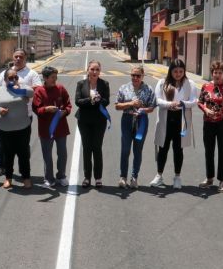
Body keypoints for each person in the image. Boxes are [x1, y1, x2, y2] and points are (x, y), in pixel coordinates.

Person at [0, 48, 42, 177]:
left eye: (21, 57)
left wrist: (21, 88)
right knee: (3, 143)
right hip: (6, 114)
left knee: (23, 145)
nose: (18, 59)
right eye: (16, 56)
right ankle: (1, 165)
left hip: (25, 114)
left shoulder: (31, 73)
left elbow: (38, 88)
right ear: (13, 57)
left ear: (25, 58)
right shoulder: (5, 72)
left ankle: (24, 170)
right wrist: (7, 88)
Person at [150, 59, 197, 190]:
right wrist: (169, 104)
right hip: (166, 118)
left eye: (181, 71)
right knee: (163, 148)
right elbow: (157, 99)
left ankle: (177, 177)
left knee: (178, 149)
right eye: (175, 71)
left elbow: (194, 101)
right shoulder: (162, 83)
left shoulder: (190, 83)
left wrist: (182, 104)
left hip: (181, 119)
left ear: (184, 71)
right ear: (170, 71)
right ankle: (159, 175)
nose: (178, 74)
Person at [0, 68, 34, 189]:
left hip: (23, 127)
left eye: (16, 77)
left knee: (23, 154)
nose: (14, 80)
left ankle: (26, 178)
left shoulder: (22, 89)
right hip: (5, 129)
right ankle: (8, 178)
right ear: (5, 79)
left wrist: (20, 88)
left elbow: (32, 93)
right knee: (8, 154)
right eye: (11, 78)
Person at [115, 65, 156, 189]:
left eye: (138, 75)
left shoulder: (148, 89)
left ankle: (134, 177)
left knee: (137, 150)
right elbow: (117, 106)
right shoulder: (124, 88)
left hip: (141, 121)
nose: (135, 78)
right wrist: (130, 104)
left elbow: (152, 107)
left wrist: (142, 110)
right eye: (133, 75)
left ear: (143, 76)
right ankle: (123, 177)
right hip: (127, 120)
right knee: (125, 149)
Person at [32, 66, 72, 188]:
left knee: (62, 153)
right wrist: (46, 109)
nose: (55, 79)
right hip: (46, 129)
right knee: (47, 155)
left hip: (61, 127)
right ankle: (49, 178)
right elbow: (36, 109)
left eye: (56, 77)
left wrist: (64, 112)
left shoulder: (61, 89)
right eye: (52, 77)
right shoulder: (39, 91)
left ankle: (61, 175)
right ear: (45, 78)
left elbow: (68, 104)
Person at [197, 61, 223, 192]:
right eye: (215, 72)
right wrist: (205, 110)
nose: (217, 75)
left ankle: (222, 180)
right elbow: (200, 102)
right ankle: (209, 178)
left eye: (220, 73)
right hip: (208, 122)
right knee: (209, 150)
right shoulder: (205, 86)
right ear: (212, 73)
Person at [74, 60, 110, 188]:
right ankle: (87, 177)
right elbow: (78, 101)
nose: (94, 72)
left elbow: (107, 101)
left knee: (97, 147)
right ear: (88, 70)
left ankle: (98, 178)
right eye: (92, 69)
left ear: (100, 71)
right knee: (87, 148)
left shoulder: (104, 84)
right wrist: (91, 100)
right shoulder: (81, 84)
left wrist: (100, 100)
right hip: (84, 120)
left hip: (99, 120)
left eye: (97, 70)